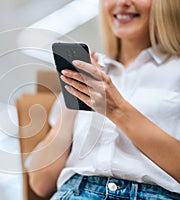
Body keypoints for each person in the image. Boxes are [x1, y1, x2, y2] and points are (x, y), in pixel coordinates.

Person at [25, 0, 180, 199]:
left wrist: (116, 109)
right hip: (75, 192)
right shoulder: (91, 74)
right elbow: (40, 184)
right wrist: (73, 96)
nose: (122, 3)